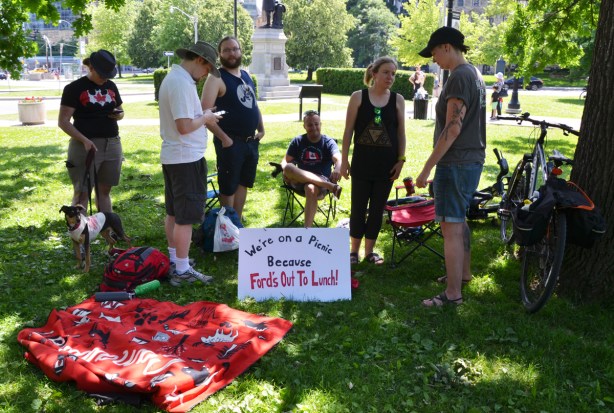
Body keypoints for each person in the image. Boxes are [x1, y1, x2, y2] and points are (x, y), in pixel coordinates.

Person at [415, 27, 486, 307]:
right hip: (471, 160)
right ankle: (463, 274)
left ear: (446, 47)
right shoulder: (475, 74)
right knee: (459, 220)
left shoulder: (458, 77)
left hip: (456, 163)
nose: (433, 60)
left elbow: (453, 128)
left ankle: (453, 294)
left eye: (433, 53)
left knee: (450, 227)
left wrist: (426, 168)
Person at [158, 41, 222, 286]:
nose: (207, 75)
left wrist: (203, 116)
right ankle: (181, 270)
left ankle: (176, 259)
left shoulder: (175, 79)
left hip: (176, 156)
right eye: (207, 69)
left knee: (174, 212)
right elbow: (184, 126)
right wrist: (206, 117)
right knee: (184, 216)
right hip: (185, 158)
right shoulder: (182, 83)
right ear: (199, 61)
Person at [340, 57, 407, 265]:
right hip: (361, 163)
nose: (391, 77)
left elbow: (401, 133)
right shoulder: (358, 97)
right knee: (358, 207)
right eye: (386, 72)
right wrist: (344, 160)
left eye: (394, 73)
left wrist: (401, 161)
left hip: (386, 167)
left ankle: (370, 252)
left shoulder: (398, 100)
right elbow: (348, 131)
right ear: (375, 74)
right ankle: (354, 252)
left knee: (377, 209)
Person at [202, 36, 265, 221]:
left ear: (240, 51)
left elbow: (253, 105)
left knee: (243, 183)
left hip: (250, 141)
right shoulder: (216, 78)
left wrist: (261, 129)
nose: (232, 53)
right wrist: (224, 139)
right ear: (220, 54)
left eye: (235, 49)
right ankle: (226, 227)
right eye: (227, 50)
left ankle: (237, 222)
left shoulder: (245, 75)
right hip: (230, 142)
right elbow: (204, 114)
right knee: (228, 186)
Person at [59, 49, 124, 213]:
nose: (105, 78)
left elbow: (120, 110)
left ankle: (106, 230)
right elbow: (63, 122)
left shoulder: (111, 85)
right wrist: (84, 140)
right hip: (85, 147)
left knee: (104, 191)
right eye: (102, 74)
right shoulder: (74, 88)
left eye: (108, 74)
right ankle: (80, 236)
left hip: (113, 143)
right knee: (82, 193)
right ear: (91, 68)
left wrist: (119, 115)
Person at [281, 110, 342, 227]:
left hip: (320, 183)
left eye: (316, 124)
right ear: (304, 126)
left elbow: (338, 159)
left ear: (321, 124)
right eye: (310, 125)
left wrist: (338, 168)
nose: (314, 127)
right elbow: (284, 161)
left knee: (310, 187)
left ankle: (307, 231)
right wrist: (284, 169)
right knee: (288, 167)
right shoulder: (298, 141)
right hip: (301, 180)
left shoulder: (328, 142)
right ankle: (331, 187)